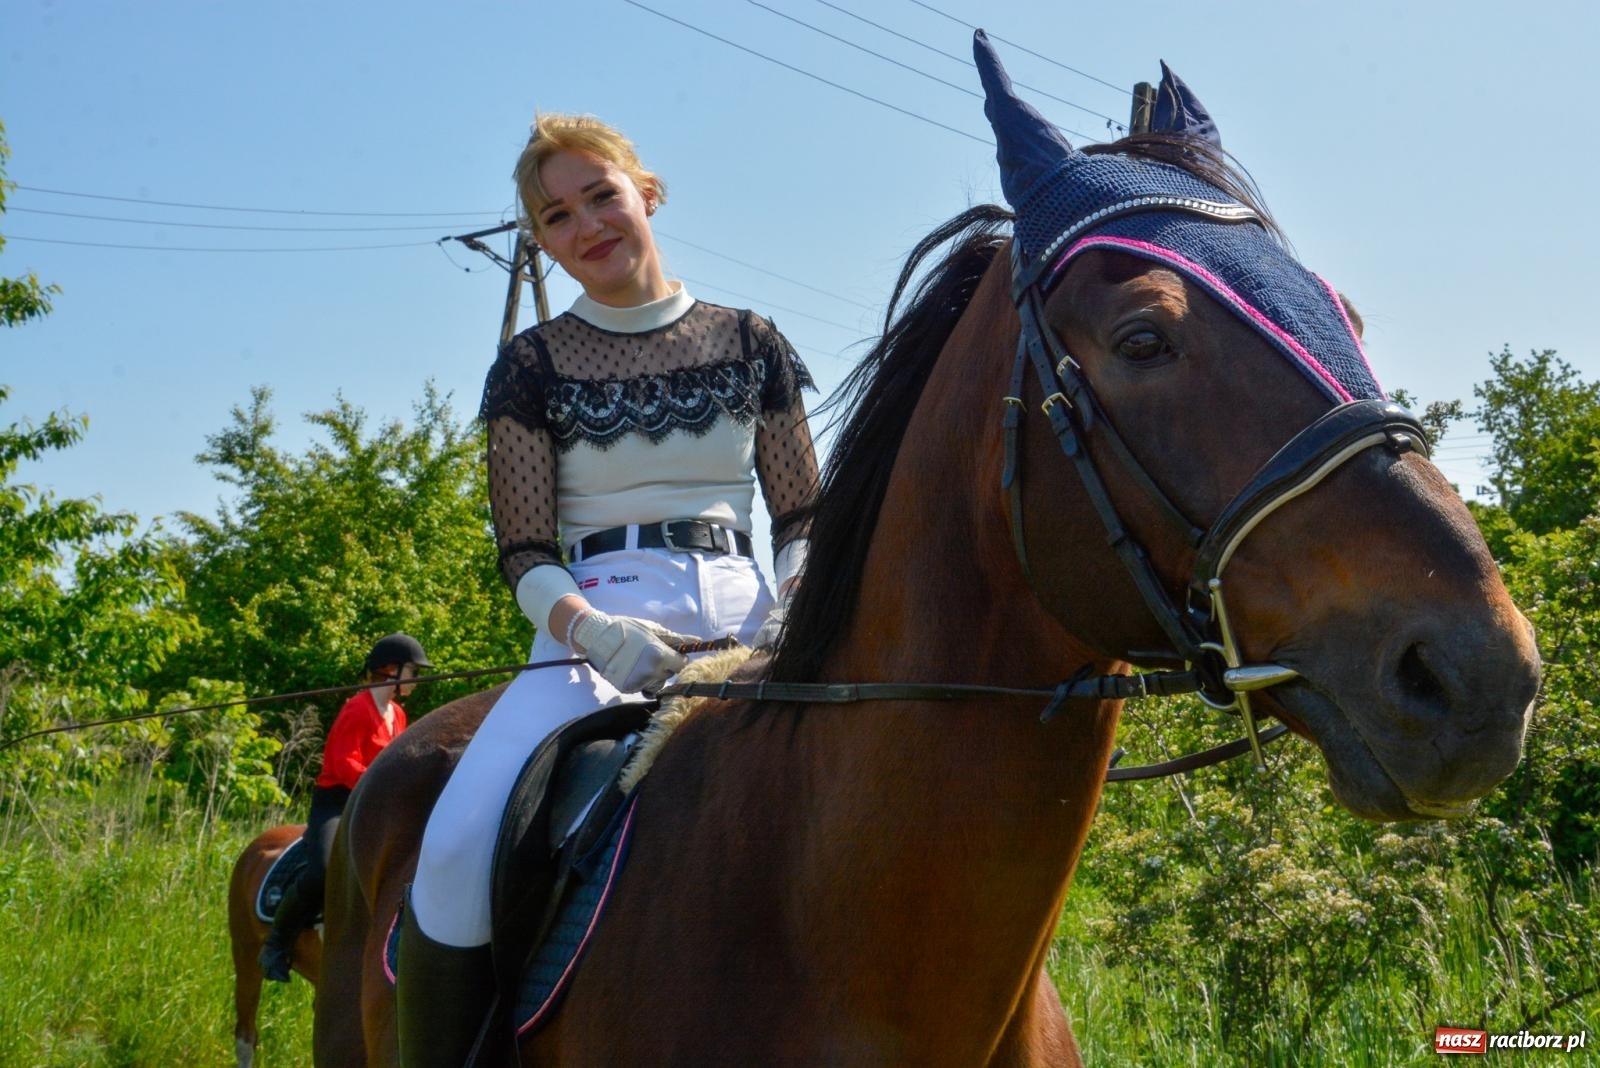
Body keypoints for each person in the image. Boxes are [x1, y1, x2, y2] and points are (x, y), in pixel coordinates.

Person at [396, 113, 820, 1065]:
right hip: (593, 634)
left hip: (754, 622)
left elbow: (801, 517)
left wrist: (798, 601)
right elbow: (524, 551)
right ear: (541, 242)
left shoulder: (752, 340)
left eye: (601, 195)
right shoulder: (532, 365)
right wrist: (593, 633)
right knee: (459, 845)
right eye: (555, 217)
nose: (586, 225)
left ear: (647, 193)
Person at [257, 632, 430, 982]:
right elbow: (343, 763)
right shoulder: (357, 708)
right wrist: (380, 788)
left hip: (374, 801)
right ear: (391, 670)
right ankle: (277, 943)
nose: (417, 679)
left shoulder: (396, 714)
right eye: (413, 671)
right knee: (321, 869)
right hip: (337, 801)